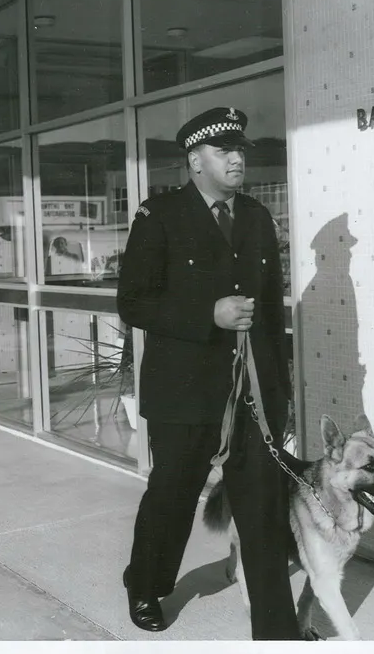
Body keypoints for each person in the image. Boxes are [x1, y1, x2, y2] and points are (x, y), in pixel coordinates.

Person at [117, 107, 300, 640]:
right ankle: (147, 584)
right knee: (172, 495)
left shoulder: (258, 219)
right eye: (225, 152)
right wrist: (208, 314)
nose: (238, 159)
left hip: (252, 398)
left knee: (263, 509)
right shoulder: (161, 216)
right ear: (196, 161)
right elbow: (133, 302)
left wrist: (279, 395)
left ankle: (277, 632)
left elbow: (269, 313)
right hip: (185, 393)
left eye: (241, 150)